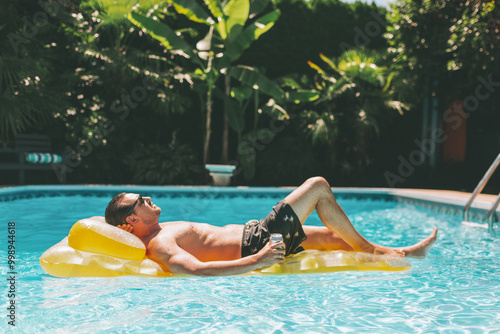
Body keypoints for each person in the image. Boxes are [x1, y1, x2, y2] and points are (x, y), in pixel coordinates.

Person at [104, 177, 437, 276]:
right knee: (318, 186)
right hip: (258, 243)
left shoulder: (162, 230)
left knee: (334, 238)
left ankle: (404, 252)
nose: (148, 199)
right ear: (130, 221)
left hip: (256, 234)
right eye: (141, 201)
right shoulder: (160, 245)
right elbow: (194, 270)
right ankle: (371, 249)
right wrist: (258, 260)